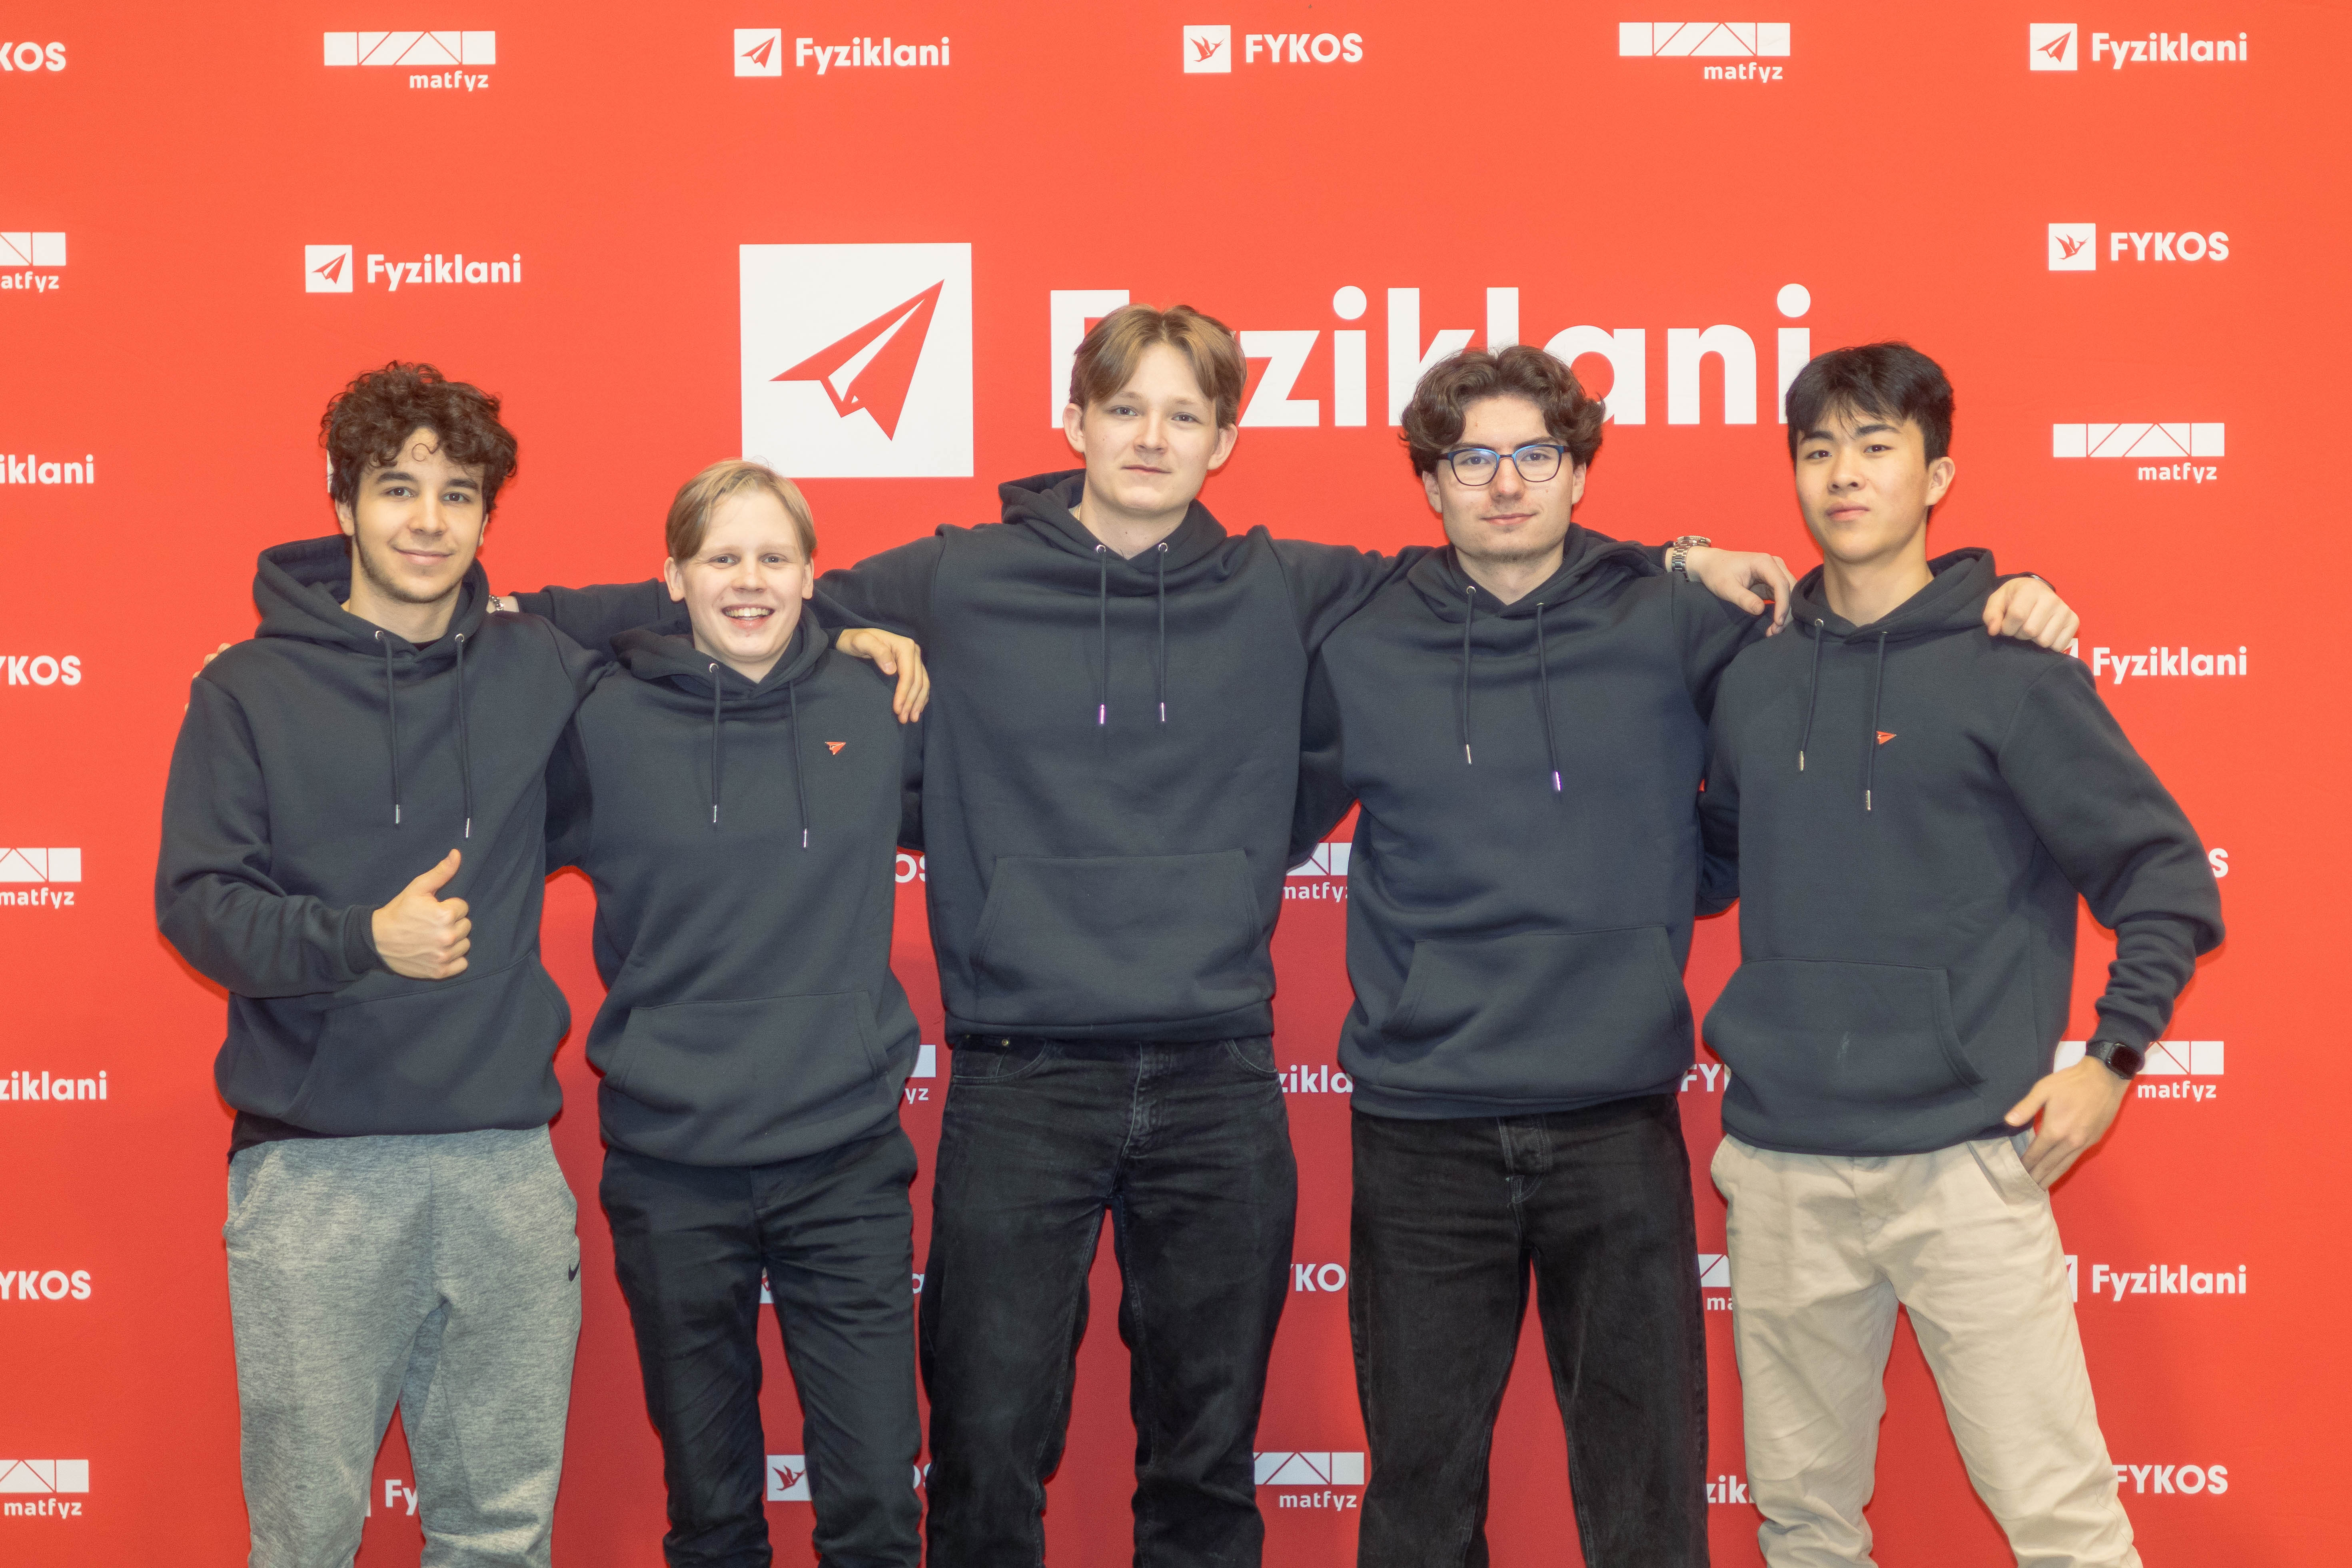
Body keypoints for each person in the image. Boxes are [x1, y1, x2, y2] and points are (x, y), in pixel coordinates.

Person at [497, 304, 1799, 1568]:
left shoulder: (1290, 585)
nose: (1151, 438)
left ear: (1223, 441)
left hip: (1214, 1077)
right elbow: (752, 588)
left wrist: (1677, 556)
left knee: (1203, 1465)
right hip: (1020, 1075)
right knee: (987, 1455)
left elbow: (1504, 553)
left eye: (1183, 415)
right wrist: (496, 615)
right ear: (1074, 421)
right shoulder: (960, 577)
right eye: (1125, 409)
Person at [1294, 345, 2080, 1568]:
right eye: (1471, 459)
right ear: (1430, 482)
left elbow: (1850, 640)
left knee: (1646, 1501)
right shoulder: (1359, 635)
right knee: (1417, 1497)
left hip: (1614, 1120)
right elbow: (1248, 783)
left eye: (1535, 454)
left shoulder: (1673, 616)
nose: (1505, 483)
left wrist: (2009, 594)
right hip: (1420, 1128)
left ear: (1579, 470)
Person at [1699, 342, 2222, 1567]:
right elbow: (1707, 861)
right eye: (1818, 449)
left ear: (1936, 476)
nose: (1843, 473)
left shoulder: (2010, 671)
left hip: (1967, 1165)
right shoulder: (1753, 678)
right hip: (1781, 1167)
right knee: (1805, 1527)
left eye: (1875, 446)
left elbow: (2164, 875)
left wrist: (2110, 1060)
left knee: (2062, 1522)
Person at [156, 363, 602, 1567]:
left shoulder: (535, 666)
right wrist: (363, 938)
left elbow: (700, 615)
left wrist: (843, 626)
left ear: (487, 518)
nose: (427, 520)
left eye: (457, 495)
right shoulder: (248, 689)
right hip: (317, 1178)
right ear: (343, 499)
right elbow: (197, 908)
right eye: (398, 488)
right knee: (307, 1537)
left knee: (501, 1535)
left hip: (503, 1164)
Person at [544, 460, 926, 1568]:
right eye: (721, 558)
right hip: (672, 1168)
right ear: (673, 578)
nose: (749, 581)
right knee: (712, 1518)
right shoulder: (598, 722)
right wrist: (290, 662)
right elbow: (470, 651)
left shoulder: (882, 702)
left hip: (844, 1163)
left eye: (773, 557)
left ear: (813, 575)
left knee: (876, 1512)